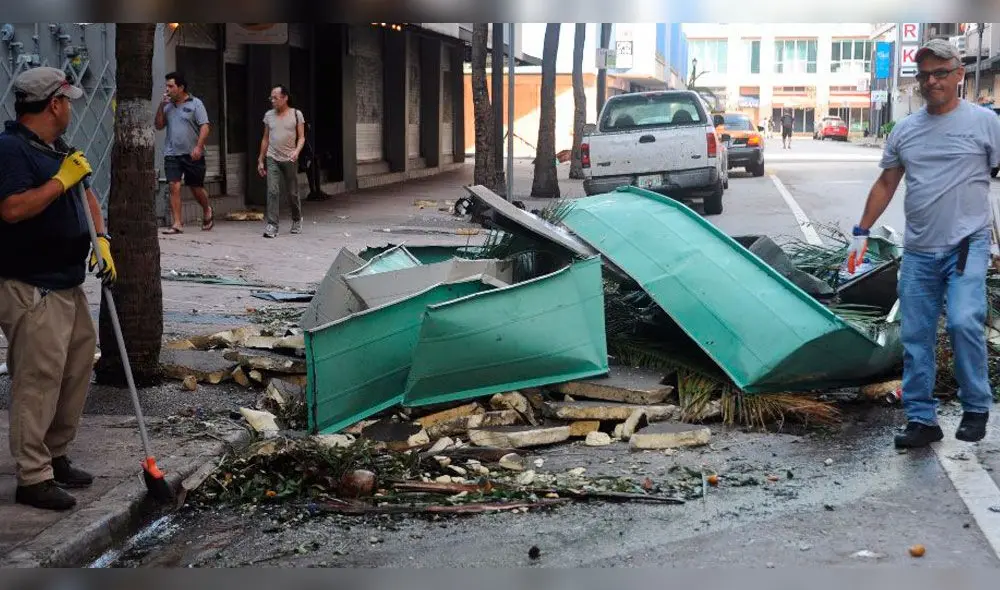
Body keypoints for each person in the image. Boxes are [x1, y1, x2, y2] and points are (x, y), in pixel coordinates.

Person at [846, 39, 1000, 449]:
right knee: (916, 335)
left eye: (941, 73)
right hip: (918, 251)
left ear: (959, 75)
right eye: (925, 75)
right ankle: (921, 419)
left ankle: (976, 406)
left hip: (967, 244)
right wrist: (861, 232)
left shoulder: (985, 123)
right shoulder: (906, 130)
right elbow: (886, 183)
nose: (932, 82)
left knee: (966, 320)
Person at [0, 67, 117, 510]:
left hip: (67, 282)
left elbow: (85, 194)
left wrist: (101, 239)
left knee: (75, 370)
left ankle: (55, 454)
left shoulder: (57, 149)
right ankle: (32, 477)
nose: (71, 107)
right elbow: (11, 209)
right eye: (68, 100)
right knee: (38, 379)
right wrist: (59, 181)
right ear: (54, 103)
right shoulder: (11, 150)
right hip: (31, 286)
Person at [155, 71, 213, 234]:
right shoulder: (167, 105)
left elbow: (205, 127)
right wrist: (161, 105)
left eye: (171, 86)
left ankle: (207, 209)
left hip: (192, 153)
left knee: (196, 187)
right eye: (166, 86)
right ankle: (177, 223)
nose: (167, 89)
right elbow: (159, 125)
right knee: (174, 185)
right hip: (172, 152)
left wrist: (199, 147)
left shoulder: (196, 104)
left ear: (181, 87)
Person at [257, 85, 306, 238]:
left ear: (285, 98)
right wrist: (260, 159)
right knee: (272, 191)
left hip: (290, 158)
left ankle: (297, 219)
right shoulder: (268, 116)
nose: (272, 101)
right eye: (271, 98)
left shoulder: (296, 114)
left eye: (275, 98)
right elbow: (265, 138)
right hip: (272, 158)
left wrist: (296, 151)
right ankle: (272, 225)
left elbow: (302, 137)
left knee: (292, 193)